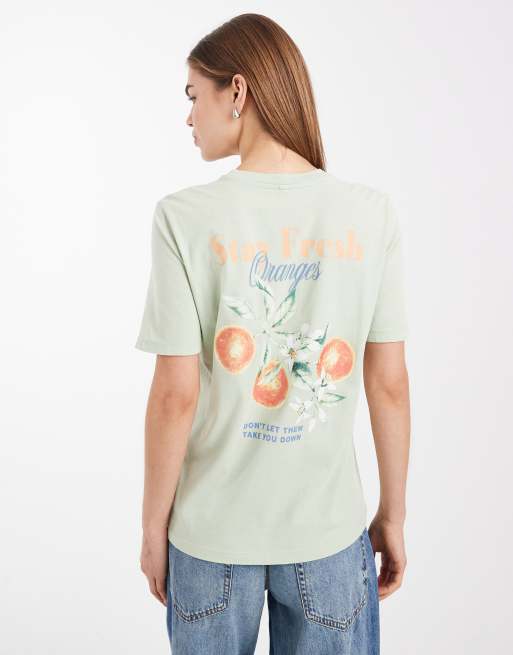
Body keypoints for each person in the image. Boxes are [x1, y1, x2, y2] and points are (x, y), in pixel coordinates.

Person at [135, 12, 410, 655]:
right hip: (328, 535)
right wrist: (393, 515)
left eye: (193, 96)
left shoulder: (183, 218)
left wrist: (152, 527)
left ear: (237, 90)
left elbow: (175, 395)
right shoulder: (370, 214)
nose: (189, 117)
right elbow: (389, 384)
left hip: (210, 538)